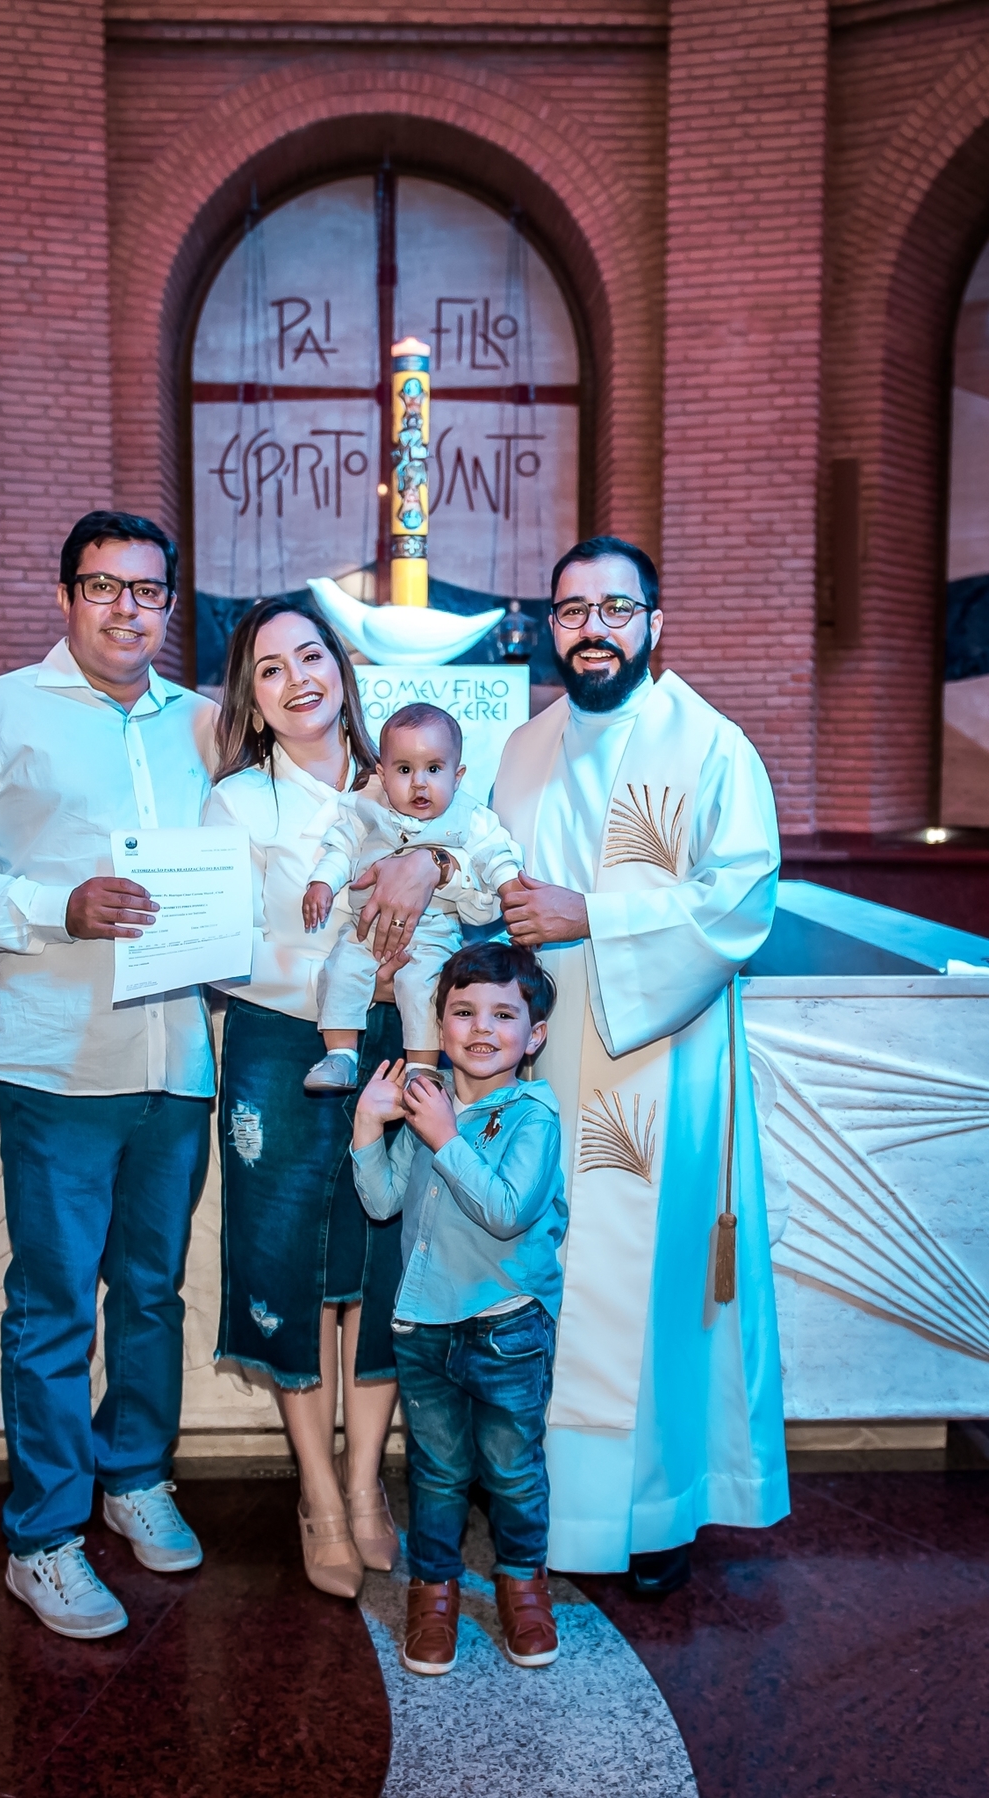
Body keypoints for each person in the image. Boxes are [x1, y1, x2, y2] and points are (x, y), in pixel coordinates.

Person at [0, 511, 217, 1641]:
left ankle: (133, 1475)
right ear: (65, 594)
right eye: (102, 586)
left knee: (153, 1292)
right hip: (56, 1056)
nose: (127, 608)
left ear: (172, 603)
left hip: (178, 1055)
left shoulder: (209, 724)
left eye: (148, 590)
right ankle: (43, 1535)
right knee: (49, 1307)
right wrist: (48, 905)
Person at [493, 535, 787, 1596]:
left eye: (617, 610)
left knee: (647, 1286)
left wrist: (595, 917)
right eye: (572, 611)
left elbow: (743, 902)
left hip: (662, 1055)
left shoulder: (711, 748)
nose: (594, 630)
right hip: (535, 1060)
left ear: (655, 624)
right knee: (546, 1272)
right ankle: (547, 1506)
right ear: (550, 628)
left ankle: (653, 1513)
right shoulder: (522, 749)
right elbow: (486, 871)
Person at [204, 597, 461, 1600]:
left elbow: (482, 886)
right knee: (298, 1272)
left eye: (311, 655)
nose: (298, 678)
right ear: (254, 699)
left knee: (384, 1264)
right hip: (276, 1049)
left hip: (397, 1041)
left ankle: (366, 1488)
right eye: (271, 669)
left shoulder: (401, 779)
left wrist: (431, 858)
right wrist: (318, 962)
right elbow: (216, 952)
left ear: (343, 668)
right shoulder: (236, 805)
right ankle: (315, 1490)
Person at [352, 941, 566, 1675]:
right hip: (425, 1326)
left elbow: (507, 1211)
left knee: (513, 1469)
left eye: (504, 1015)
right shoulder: (428, 1103)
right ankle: (433, 1595)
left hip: (508, 1324)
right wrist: (367, 1128)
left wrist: (443, 1135)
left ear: (533, 1035)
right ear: (440, 1025)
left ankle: (523, 1589)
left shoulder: (533, 1115)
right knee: (437, 1472)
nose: (481, 1028)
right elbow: (382, 1203)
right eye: (463, 1011)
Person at [303, 701, 523, 1091]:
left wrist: (510, 888)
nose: (419, 783)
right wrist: (322, 882)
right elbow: (339, 848)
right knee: (341, 969)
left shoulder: (470, 818)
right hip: (364, 927)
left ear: (457, 776)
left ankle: (423, 1068)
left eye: (434, 769)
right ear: (383, 776)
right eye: (405, 770)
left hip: (433, 931)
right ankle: (340, 1055)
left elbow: (496, 853)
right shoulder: (364, 809)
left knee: (424, 983)